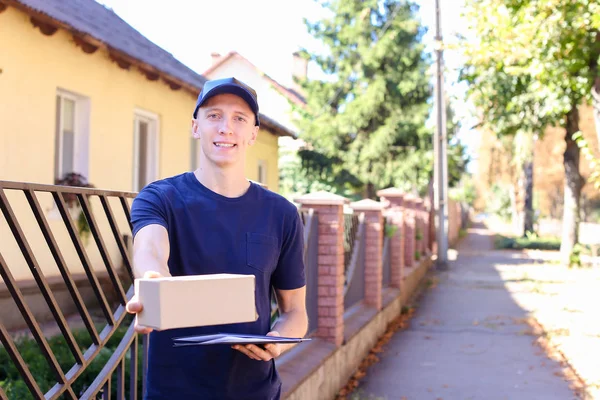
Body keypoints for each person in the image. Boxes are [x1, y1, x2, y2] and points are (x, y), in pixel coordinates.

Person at [125, 77, 308, 400]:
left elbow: (295, 312)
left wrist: (277, 338)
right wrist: (154, 282)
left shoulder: (281, 214)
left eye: (239, 118)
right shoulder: (160, 198)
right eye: (214, 116)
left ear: (253, 133)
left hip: (255, 392)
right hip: (174, 392)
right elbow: (150, 248)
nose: (226, 128)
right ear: (196, 127)